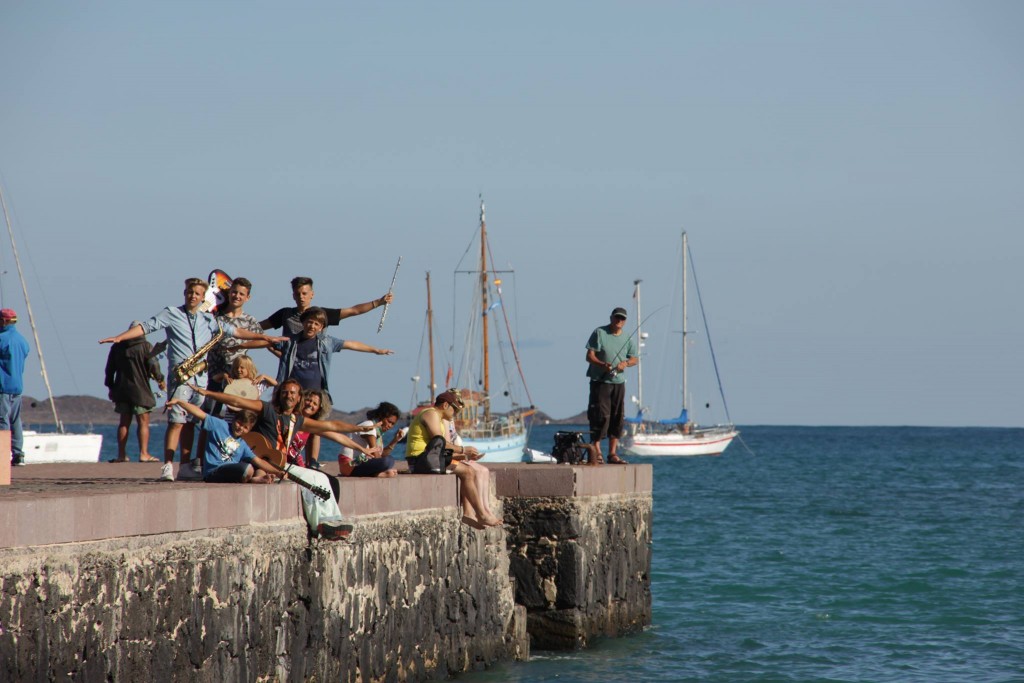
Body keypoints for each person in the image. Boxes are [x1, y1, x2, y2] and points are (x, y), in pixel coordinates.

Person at [99, 277, 287, 482]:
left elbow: (235, 331)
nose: (193, 296)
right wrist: (120, 337)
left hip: (200, 376)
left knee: (192, 421)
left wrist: (265, 338)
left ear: (203, 297)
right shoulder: (172, 313)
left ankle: (186, 466)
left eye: (197, 293)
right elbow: (147, 327)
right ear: (185, 293)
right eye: (190, 292)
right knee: (176, 421)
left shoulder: (209, 319)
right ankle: (168, 466)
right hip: (181, 376)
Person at [165, 398, 353, 541]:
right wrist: (180, 402)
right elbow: (199, 413)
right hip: (213, 472)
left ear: (249, 430)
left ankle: (330, 522)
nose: (240, 428)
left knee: (250, 467)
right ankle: (254, 479)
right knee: (247, 469)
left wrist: (279, 472)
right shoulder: (219, 425)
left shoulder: (243, 444)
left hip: (234, 471)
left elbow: (260, 461)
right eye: (239, 423)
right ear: (235, 420)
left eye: (245, 427)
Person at [405, 391, 501, 529]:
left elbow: (439, 449)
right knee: (468, 472)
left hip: (429, 459)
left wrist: (465, 456)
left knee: (468, 471)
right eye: (454, 409)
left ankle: (469, 513)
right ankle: (480, 514)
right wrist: (463, 450)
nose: (455, 413)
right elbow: (440, 443)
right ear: (445, 405)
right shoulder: (431, 414)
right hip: (420, 460)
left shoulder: (439, 419)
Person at [273, 307, 393, 399]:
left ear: (321, 328)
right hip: (291, 394)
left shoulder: (327, 342)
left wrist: (376, 350)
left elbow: (351, 344)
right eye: (309, 322)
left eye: (316, 324)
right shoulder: (289, 341)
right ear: (303, 322)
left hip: (315, 396)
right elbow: (268, 342)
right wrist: (264, 339)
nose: (312, 326)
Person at [260, 275, 395, 342]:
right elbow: (258, 328)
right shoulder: (285, 314)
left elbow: (353, 310)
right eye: (298, 294)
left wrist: (379, 302)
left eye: (304, 293)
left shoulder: (322, 314)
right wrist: (274, 348)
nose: (301, 297)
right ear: (293, 295)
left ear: (312, 294)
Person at [103, 320, 166, 462]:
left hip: (121, 390)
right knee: (143, 422)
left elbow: (109, 370)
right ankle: (144, 453)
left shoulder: (117, 347)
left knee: (124, 422)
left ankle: (121, 455)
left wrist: (110, 387)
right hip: (141, 390)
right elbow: (154, 366)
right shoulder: (146, 346)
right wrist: (160, 380)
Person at [585, 307, 638, 465]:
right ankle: (597, 452)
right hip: (600, 381)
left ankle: (612, 454)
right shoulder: (600, 333)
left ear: (625, 321)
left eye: (622, 318)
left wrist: (625, 363)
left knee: (617, 417)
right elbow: (589, 356)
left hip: (618, 383)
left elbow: (635, 359)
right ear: (611, 318)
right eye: (617, 317)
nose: (619, 321)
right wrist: (602, 364)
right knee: (600, 416)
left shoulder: (627, 338)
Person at [338, 401, 403, 478]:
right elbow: (376, 455)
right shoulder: (369, 425)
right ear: (381, 416)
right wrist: (386, 468)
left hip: (357, 464)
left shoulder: (378, 432)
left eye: (392, 424)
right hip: (349, 465)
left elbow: (381, 455)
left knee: (390, 459)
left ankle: (376, 473)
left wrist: (395, 440)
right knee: (387, 461)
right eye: (389, 422)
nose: (390, 426)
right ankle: (377, 474)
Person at [0, 309, 30, 467]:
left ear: (4, 321)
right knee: (15, 420)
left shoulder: (2, 339)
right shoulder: (22, 340)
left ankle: (3, 454)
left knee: (2, 419)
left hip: (2, 386)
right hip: (17, 386)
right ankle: (18, 454)